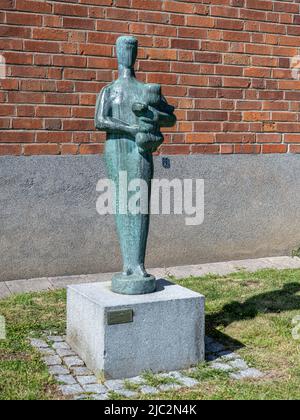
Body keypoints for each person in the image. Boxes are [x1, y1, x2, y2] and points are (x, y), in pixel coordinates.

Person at [95, 36, 176, 295]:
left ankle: (138, 265)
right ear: (116, 53)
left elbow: (170, 118)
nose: (126, 55)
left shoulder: (146, 89)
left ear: (136, 54)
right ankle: (126, 266)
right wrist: (130, 127)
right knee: (120, 203)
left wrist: (151, 115)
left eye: (131, 50)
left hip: (140, 152)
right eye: (122, 49)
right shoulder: (109, 90)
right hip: (116, 150)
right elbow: (100, 120)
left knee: (139, 203)